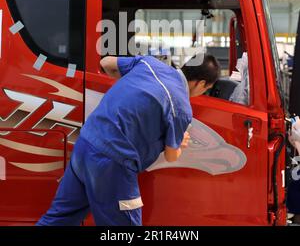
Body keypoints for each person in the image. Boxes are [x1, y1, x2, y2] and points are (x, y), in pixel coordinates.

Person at [37, 53, 220, 226]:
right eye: (206, 89)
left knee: (60, 219)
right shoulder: (181, 107)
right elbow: (172, 155)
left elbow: (106, 62)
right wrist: (179, 143)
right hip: (112, 163)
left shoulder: (150, 63)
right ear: (201, 83)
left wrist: (129, 90)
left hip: (85, 143)